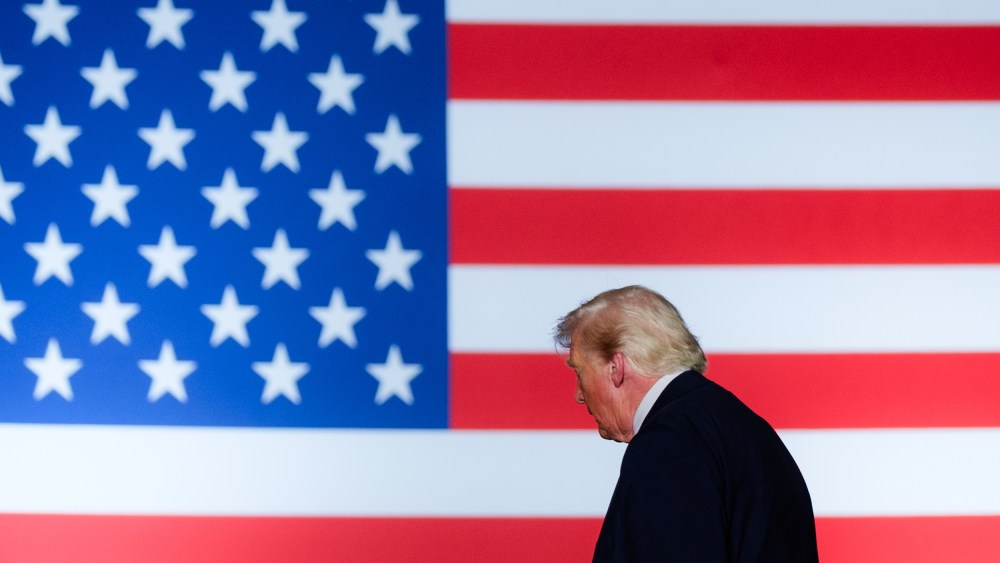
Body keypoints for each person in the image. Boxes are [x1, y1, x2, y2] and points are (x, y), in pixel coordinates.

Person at [555, 285, 819, 562]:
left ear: (616, 367)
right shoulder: (744, 426)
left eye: (579, 371)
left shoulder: (665, 446)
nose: (579, 395)